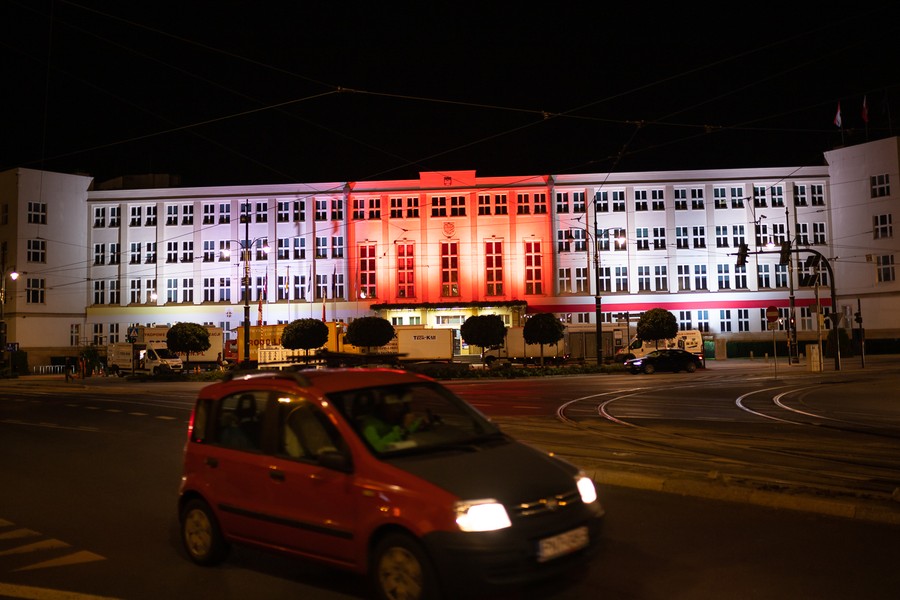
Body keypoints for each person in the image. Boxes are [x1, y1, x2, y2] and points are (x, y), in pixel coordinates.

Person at [359, 392, 425, 452]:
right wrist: (402, 428)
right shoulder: (370, 425)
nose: (401, 405)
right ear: (384, 404)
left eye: (403, 402)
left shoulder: (397, 417)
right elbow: (378, 448)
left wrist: (419, 423)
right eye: (395, 402)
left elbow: (406, 429)